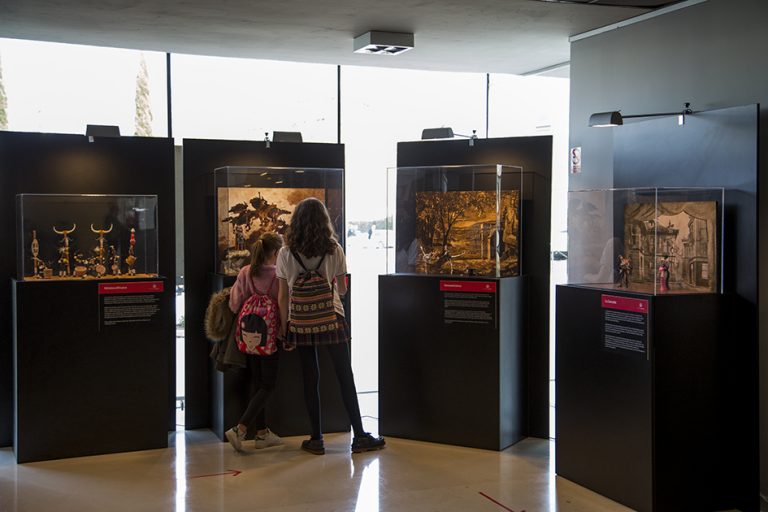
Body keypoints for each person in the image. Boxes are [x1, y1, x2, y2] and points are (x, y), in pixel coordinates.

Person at [276, 198, 385, 455]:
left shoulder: (285, 252)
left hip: (300, 320)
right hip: (331, 316)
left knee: (310, 377)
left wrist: (284, 327)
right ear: (324, 221)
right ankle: (360, 436)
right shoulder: (334, 249)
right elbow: (342, 289)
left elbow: (282, 296)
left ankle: (316, 439)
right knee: (344, 375)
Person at [225, 232, 285, 452]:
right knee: (268, 385)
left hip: (248, 337)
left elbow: (234, 304)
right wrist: (285, 331)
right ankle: (240, 429)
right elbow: (283, 303)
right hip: (271, 338)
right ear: (276, 252)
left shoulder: (246, 272)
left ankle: (262, 434)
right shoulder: (280, 275)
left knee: (258, 384)